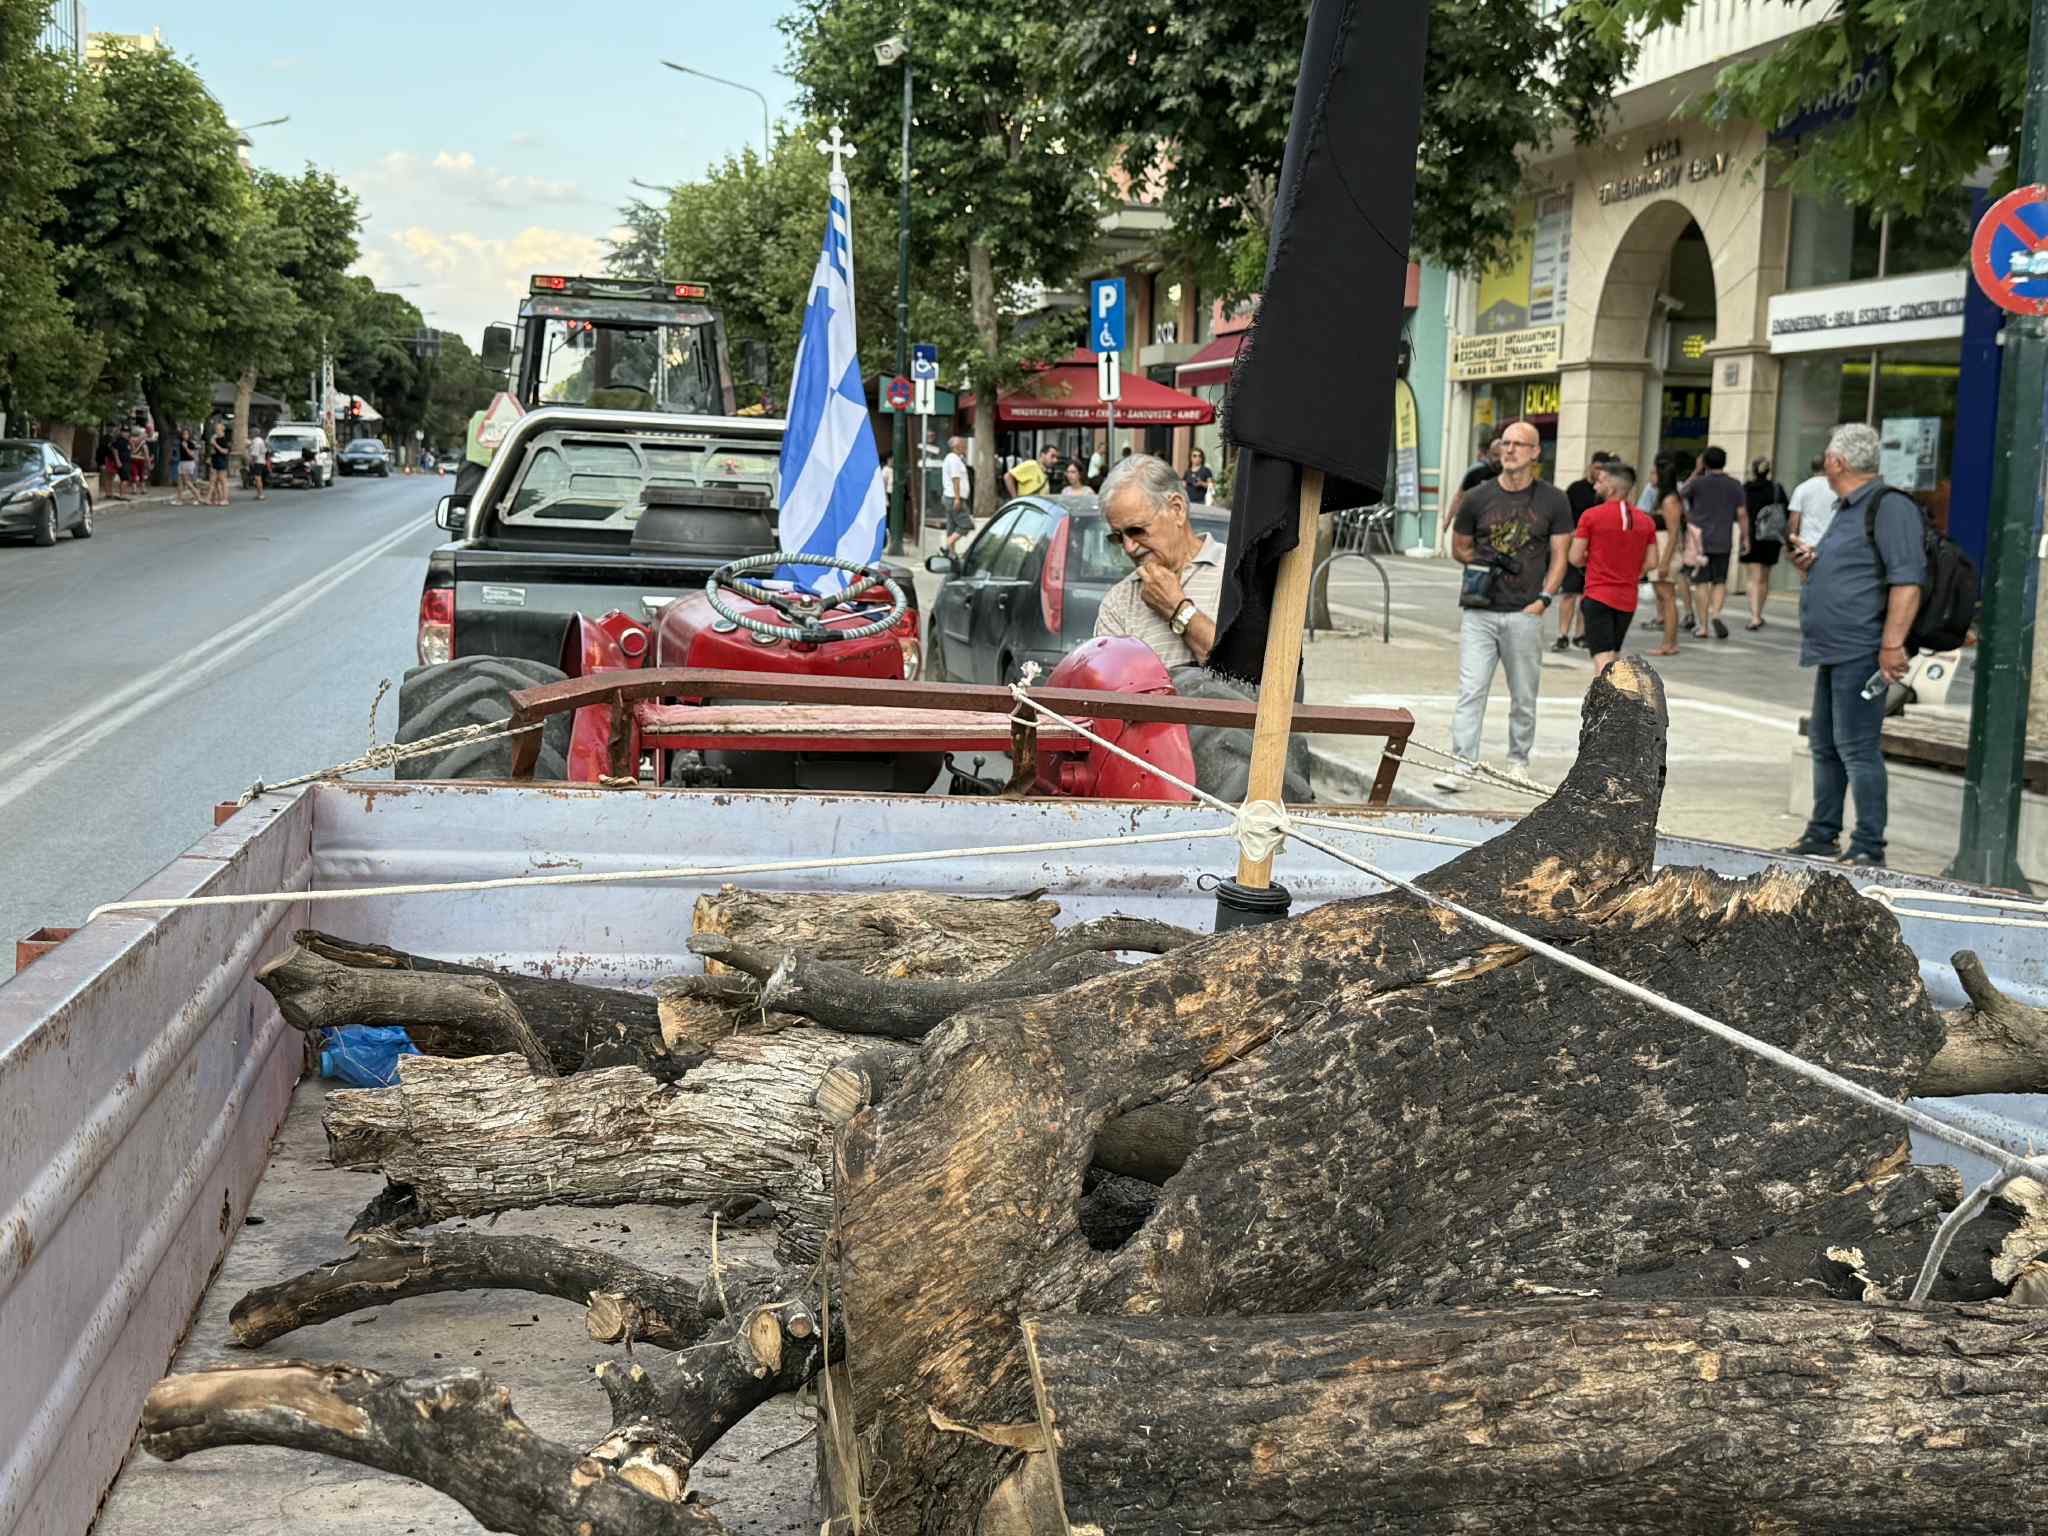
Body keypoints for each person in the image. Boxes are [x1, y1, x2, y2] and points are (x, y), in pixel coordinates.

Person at [1781, 422, 1926, 868]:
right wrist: (1813, 565)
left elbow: (1907, 581)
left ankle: (1868, 844)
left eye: (1827, 455)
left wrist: (1891, 645)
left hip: (1862, 647)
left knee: (1858, 748)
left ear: (1836, 462)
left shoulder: (1889, 506)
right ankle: (1822, 833)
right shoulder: (1848, 507)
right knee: (1825, 743)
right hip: (1835, 647)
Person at [1437, 418, 1573, 792]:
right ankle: (1462, 765)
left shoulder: (1553, 500)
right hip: (1479, 611)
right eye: (1505, 443)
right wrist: (1485, 564)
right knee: (1471, 691)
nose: (1509, 450)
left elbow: (1561, 556)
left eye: (1518, 444)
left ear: (1535, 453)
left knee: (1524, 695)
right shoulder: (1478, 496)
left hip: (1525, 611)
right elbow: (1459, 547)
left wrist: (1544, 599)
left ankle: (1518, 763)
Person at [1093, 452, 1223, 669]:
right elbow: (1109, 684)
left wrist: (1177, 610)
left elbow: (1250, 673)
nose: (1129, 547)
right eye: (1118, 537)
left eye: (1137, 530)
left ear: (1177, 509)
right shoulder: (1119, 601)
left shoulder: (1236, 572)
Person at [1568, 461, 1659, 676]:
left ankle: (1603, 696)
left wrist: (1592, 562)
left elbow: (1574, 557)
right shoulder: (1646, 521)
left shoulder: (1591, 516)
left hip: (1598, 594)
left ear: (1610, 487)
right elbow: (1652, 561)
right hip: (1627, 598)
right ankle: (1611, 695)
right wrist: (1632, 570)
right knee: (1613, 655)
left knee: (1602, 657)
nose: (1595, 486)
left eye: (1599, 481)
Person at [1680, 445, 1748, 640]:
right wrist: (1745, 538)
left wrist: (1696, 471)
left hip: (1700, 541)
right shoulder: (1734, 484)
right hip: (1723, 540)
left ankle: (1703, 627)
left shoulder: (1698, 483)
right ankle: (1716, 614)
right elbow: (1742, 514)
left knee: (1701, 582)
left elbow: (1681, 494)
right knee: (1720, 580)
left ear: (1705, 463)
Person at [1554, 450, 1612, 651]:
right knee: (1569, 592)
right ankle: (1562, 634)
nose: (1598, 472)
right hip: (1574, 545)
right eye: (1596, 468)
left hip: (1597, 549)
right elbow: (1565, 517)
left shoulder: (1606, 493)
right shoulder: (1575, 489)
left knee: (1588, 594)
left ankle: (1580, 634)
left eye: (1603, 470)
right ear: (1590, 466)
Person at [1742, 455, 1789, 630]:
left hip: (1751, 536)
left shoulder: (1746, 489)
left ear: (1753, 470)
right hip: (1771, 537)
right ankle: (1759, 613)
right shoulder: (1776, 488)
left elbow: (1739, 513)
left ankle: (1754, 616)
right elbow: (1786, 512)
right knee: (1764, 577)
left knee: (1753, 577)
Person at [1646, 457, 1684, 657]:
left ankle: (1669, 643)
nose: (1650, 476)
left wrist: (1664, 562)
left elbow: (1674, 533)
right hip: (1659, 550)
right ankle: (1669, 642)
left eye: (1654, 472)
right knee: (1663, 597)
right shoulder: (1661, 498)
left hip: (1665, 552)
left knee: (1667, 598)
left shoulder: (1670, 500)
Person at [1441, 432, 1502, 546]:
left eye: (1501, 456)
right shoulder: (1476, 471)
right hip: (1477, 521)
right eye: (1495, 455)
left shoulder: (1508, 472)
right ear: (1488, 454)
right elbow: (1459, 496)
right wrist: (1448, 519)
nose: (1497, 459)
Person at [1787, 453, 1834, 550]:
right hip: (1831, 545)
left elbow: (1793, 522)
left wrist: (1791, 544)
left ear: (1812, 468)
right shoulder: (1838, 489)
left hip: (1806, 545)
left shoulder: (1801, 488)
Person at [940, 436, 972, 556]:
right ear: (956, 447)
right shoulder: (953, 459)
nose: (965, 446)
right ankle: (946, 546)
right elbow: (956, 479)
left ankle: (951, 555)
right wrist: (957, 498)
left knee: (952, 526)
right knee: (966, 525)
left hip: (951, 497)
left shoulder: (956, 459)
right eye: (963, 444)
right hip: (954, 498)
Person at [207, 426, 231, 506]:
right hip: (215, 461)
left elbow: (225, 451)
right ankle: (218, 498)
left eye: (218, 430)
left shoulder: (224, 439)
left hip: (221, 461)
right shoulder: (216, 439)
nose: (216, 431)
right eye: (216, 430)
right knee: (215, 481)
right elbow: (213, 451)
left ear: (222, 430)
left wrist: (215, 444)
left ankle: (225, 499)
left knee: (223, 480)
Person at [247, 427, 267, 501]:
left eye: (250, 433)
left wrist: (251, 462)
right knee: (258, 478)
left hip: (257, 462)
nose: (250, 434)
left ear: (254, 434)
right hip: (261, 461)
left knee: (257, 478)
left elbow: (255, 455)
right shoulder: (259, 440)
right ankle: (259, 494)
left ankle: (260, 494)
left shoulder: (256, 442)